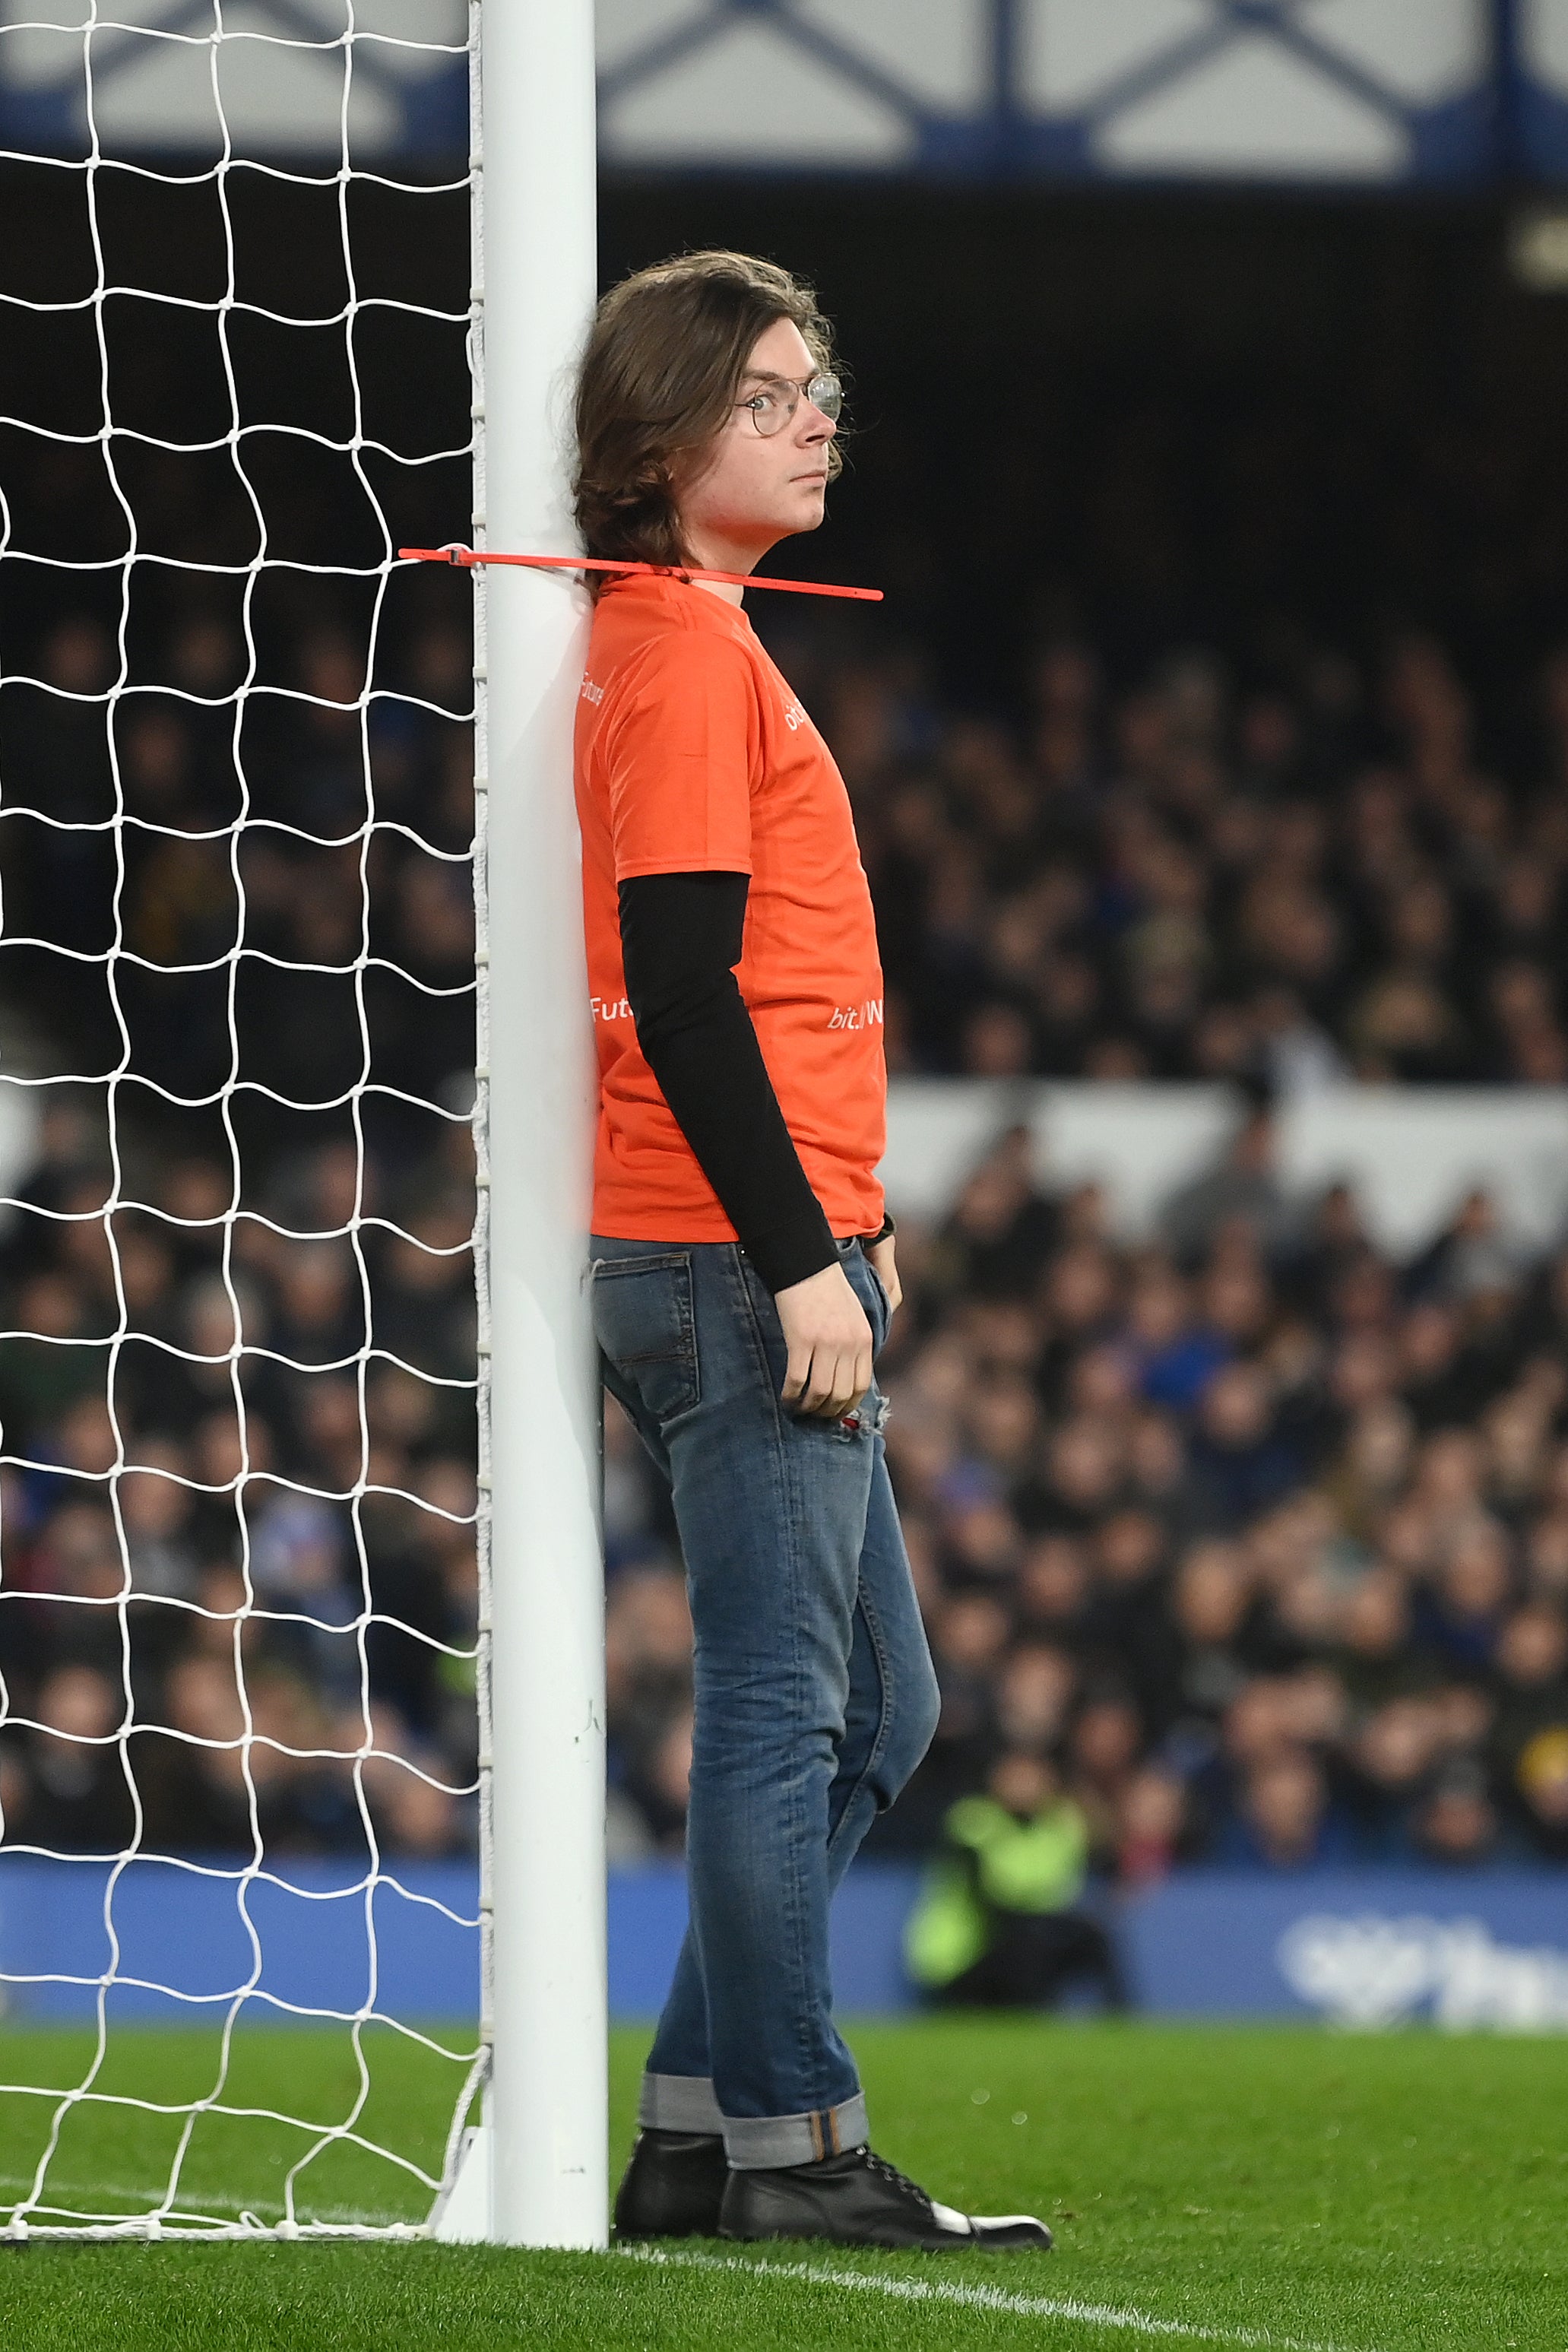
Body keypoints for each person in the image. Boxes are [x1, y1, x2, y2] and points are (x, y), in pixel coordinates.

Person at [575, 251, 1048, 2254]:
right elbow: (687, 999)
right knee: (792, 1708)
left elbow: (730, 994)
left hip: (745, 1240)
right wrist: (795, 1259)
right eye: (771, 391)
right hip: (720, 1256)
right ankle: (788, 2140)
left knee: (876, 1711)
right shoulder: (681, 655)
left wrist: (843, 1226)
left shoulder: (683, 640)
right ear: (668, 432)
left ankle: (698, 2128)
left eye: (817, 383)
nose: (814, 414)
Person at [904, 1751, 1129, 2011]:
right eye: (1015, 1777)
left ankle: (1122, 2020)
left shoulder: (1063, 1823)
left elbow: (1070, 1888)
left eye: (1032, 1778)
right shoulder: (971, 1821)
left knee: (1093, 1937)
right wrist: (1048, 1921)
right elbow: (992, 1907)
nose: (1024, 1787)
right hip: (962, 1958)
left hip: (1033, 1938)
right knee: (1026, 1944)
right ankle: (1037, 2021)